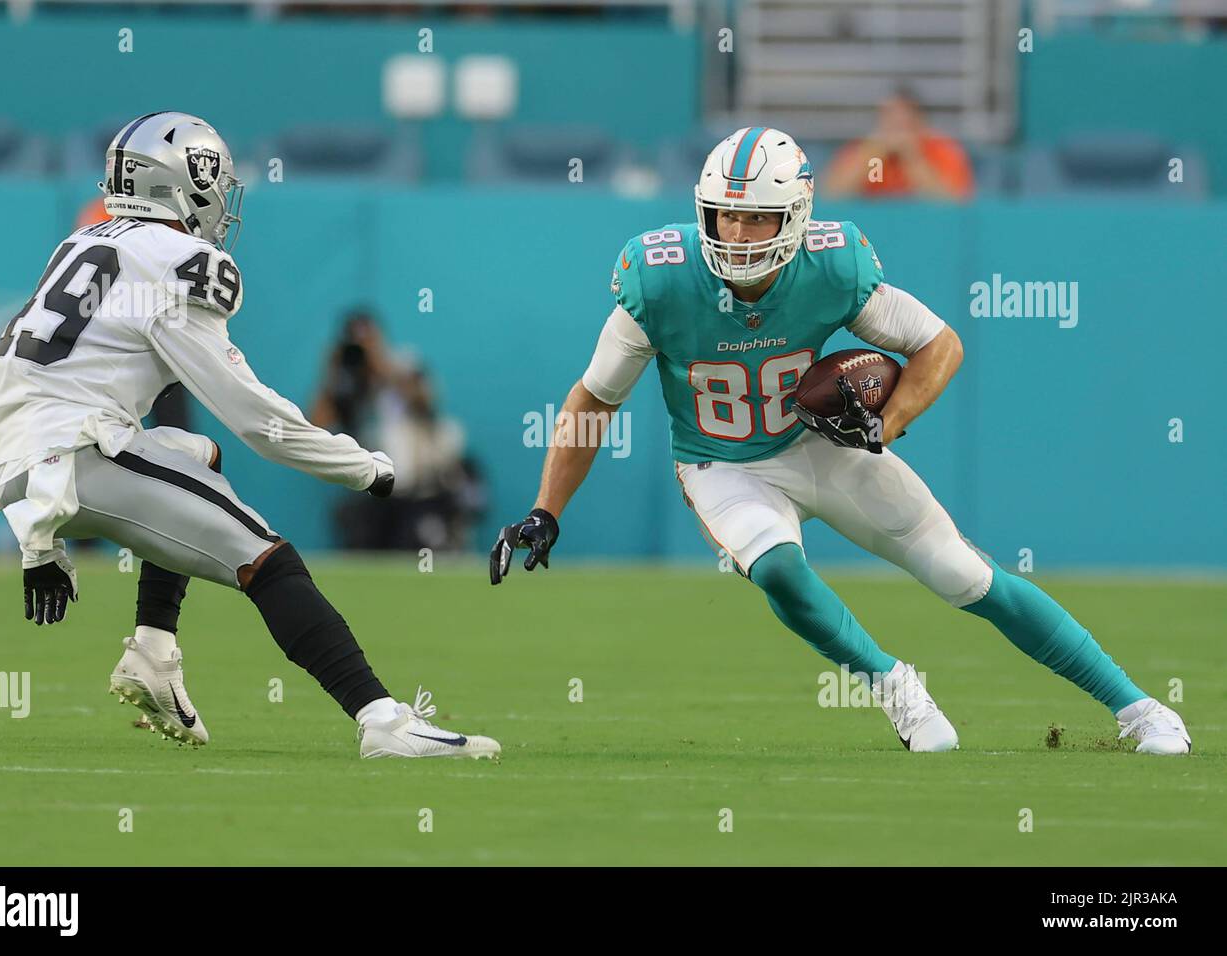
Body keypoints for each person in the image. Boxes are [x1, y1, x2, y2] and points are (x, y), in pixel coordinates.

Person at [489, 126, 1189, 756]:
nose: (736, 231)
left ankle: (1140, 708)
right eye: (725, 213)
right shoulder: (662, 277)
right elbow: (594, 398)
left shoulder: (833, 266)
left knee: (964, 575)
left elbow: (937, 343)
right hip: (724, 465)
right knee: (779, 568)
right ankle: (895, 688)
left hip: (826, 447)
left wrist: (887, 422)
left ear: (794, 216)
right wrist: (549, 509)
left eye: (757, 215)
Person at [0, 111, 498, 760]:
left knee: (196, 455)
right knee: (264, 556)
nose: (222, 199)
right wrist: (362, 467)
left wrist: (36, 531)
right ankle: (382, 721)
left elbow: (23, 381)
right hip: (78, 453)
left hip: (26, 454)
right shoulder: (177, 259)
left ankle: (153, 650)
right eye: (215, 181)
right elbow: (256, 419)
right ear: (184, 181)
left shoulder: (82, 244)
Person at [822, 90, 974, 200]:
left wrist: (912, 158)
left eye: (903, 123)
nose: (896, 131)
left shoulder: (941, 150)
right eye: (890, 121)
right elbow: (830, 195)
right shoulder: (865, 150)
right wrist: (872, 154)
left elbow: (953, 203)